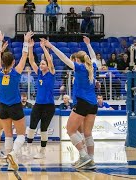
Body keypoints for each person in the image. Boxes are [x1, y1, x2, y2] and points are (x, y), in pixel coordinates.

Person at [41, 35, 98, 170]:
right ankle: (91, 159)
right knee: (87, 133)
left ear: (77, 60)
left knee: (70, 130)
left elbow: (64, 58)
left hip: (82, 103)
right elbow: (93, 56)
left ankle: (84, 155)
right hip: (93, 104)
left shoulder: (80, 68)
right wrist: (88, 45)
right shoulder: (93, 66)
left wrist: (51, 47)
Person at [0, 31, 34, 171]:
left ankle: (10, 162)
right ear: (13, 62)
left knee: (8, 135)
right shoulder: (16, 73)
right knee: (21, 135)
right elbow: (24, 56)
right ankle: (12, 154)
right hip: (15, 106)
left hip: (2, 107)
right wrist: (26, 41)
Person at [26, 38, 56, 159]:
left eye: (43, 64)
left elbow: (49, 60)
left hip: (49, 106)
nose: (40, 64)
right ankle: (28, 149)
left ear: (47, 66)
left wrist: (44, 48)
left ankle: (42, 151)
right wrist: (30, 47)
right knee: (32, 126)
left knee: (44, 129)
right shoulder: (38, 72)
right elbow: (31, 60)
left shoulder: (51, 72)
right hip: (38, 104)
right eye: (41, 63)